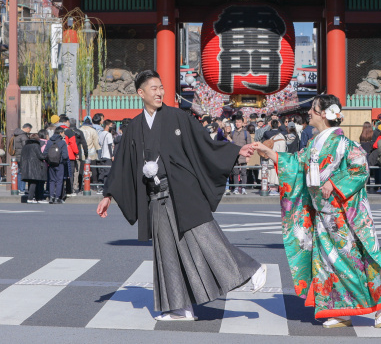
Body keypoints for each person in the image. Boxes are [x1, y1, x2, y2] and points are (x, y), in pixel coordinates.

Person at [97, 70, 266, 322]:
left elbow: (203, 144)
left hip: (183, 191)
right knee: (167, 252)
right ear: (140, 93)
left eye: (161, 87)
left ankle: (251, 268)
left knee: (204, 237)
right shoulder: (134, 127)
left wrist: (234, 150)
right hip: (156, 197)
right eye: (153, 88)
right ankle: (180, 308)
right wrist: (108, 194)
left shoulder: (178, 117)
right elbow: (122, 162)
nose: (159, 92)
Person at [253, 94, 381, 329]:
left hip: (340, 216)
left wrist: (335, 183)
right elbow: (297, 163)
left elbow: (360, 167)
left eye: (313, 108)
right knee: (327, 264)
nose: (308, 112)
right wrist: (268, 152)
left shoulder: (342, 142)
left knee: (354, 262)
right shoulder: (315, 142)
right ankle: (340, 309)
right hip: (323, 214)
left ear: (323, 114)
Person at [20, 133, 48, 204]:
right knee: (34, 182)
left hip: (26, 166)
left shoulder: (25, 146)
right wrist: (46, 156)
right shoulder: (36, 145)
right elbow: (40, 156)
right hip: (35, 166)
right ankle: (31, 198)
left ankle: (31, 197)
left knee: (31, 182)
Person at [45, 126, 69, 204]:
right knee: (59, 181)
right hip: (60, 164)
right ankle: (57, 198)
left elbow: (45, 153)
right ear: (60, 133)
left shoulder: (49, 141)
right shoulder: (62, 142)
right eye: (63, 133)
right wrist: (62, 161)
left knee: (52, 180)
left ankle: (51, 197)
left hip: (51, 164)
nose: (64, 135)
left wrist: (49, 161)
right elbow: (65, 155)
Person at [229, 115, 252, 195]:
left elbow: (250, 146)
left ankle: (243, 188)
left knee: (243, 172)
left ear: (242, 123)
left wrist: (248, 156)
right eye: (236, 122)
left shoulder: (246, 133)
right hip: (234, 155)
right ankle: (236, 188)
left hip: (244, 155)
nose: (237, 123)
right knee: (235, 172)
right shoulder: (232, 133)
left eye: (239, 122)